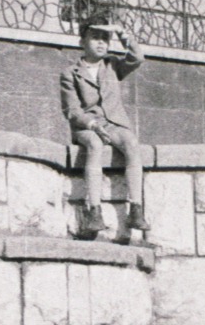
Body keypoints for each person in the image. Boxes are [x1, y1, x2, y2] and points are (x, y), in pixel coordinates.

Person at [59, 23, 147, 245]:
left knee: (131, 143)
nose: (101, 43)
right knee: (95, 146)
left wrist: (122, 34)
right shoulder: (71, 73)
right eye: (95, 37)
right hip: (87, 126)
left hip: (114, 123)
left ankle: (136, 209)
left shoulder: (113, 65)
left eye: (105, 39)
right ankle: (94, 212)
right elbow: (72, 110)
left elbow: (137, 57)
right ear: (82, 42)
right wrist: (92, 124)